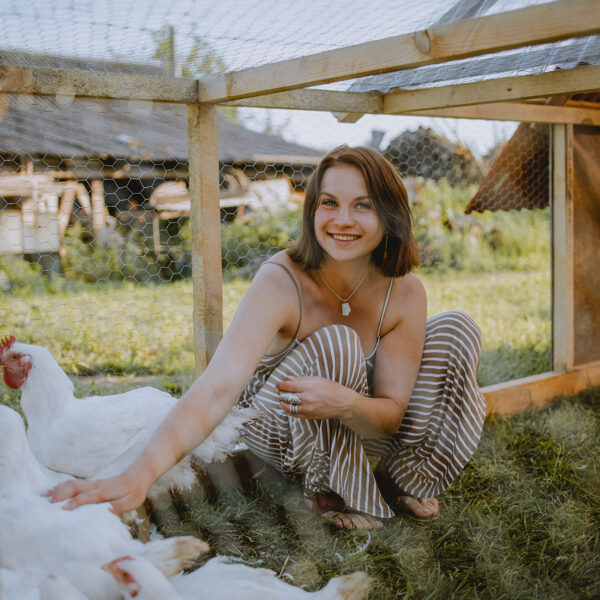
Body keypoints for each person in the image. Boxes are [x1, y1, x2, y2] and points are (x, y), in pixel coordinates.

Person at [48, 145, 487, 531]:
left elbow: (390, 416)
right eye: (329, 203)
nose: (343, 220)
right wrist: (138, 475)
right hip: (281, 426)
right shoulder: (281, 279)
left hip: (356, 416)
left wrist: (346, 403)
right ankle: (330, 492)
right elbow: (217, 388)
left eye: (363, 206)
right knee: (337, 343)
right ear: (312, 210)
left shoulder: (404, 291)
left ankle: (397, 480)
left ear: (390, 215)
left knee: (457, 329)